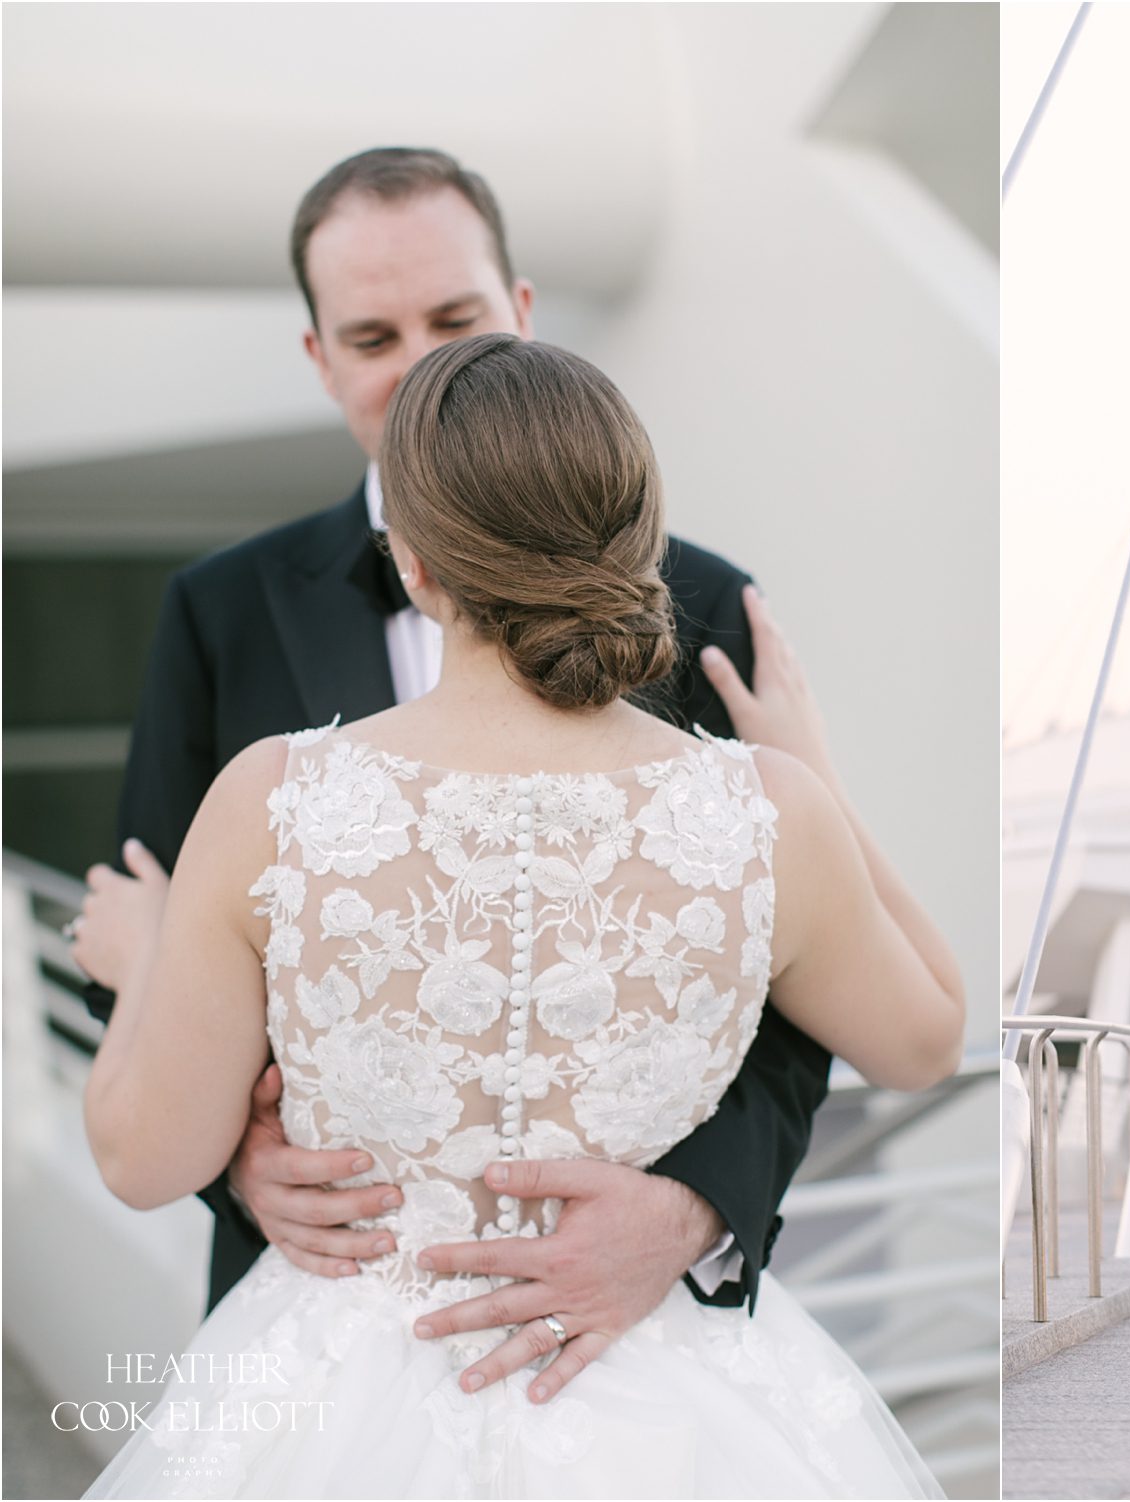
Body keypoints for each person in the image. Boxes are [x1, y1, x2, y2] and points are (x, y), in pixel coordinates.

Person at [79, 333, 963, 1496]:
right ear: (640, 539)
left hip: (335, 1387)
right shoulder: (767, 811)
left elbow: (144, 1159)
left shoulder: (275, 799)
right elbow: (928, 1037)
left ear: (412, 562)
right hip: (662, 1402)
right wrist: (814, 774)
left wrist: (145, 958)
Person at [71, 151, 827, 1401]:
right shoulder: (216, 610)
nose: (421, 358)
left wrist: (696, 1209)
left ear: (523, 315)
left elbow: (793, 978)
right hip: (320, 1323)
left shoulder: (693, 596)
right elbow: (162, 920)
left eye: (456, 319)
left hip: (634, 1343)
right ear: (318, 358)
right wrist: (241, 1163)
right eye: (374, 333)